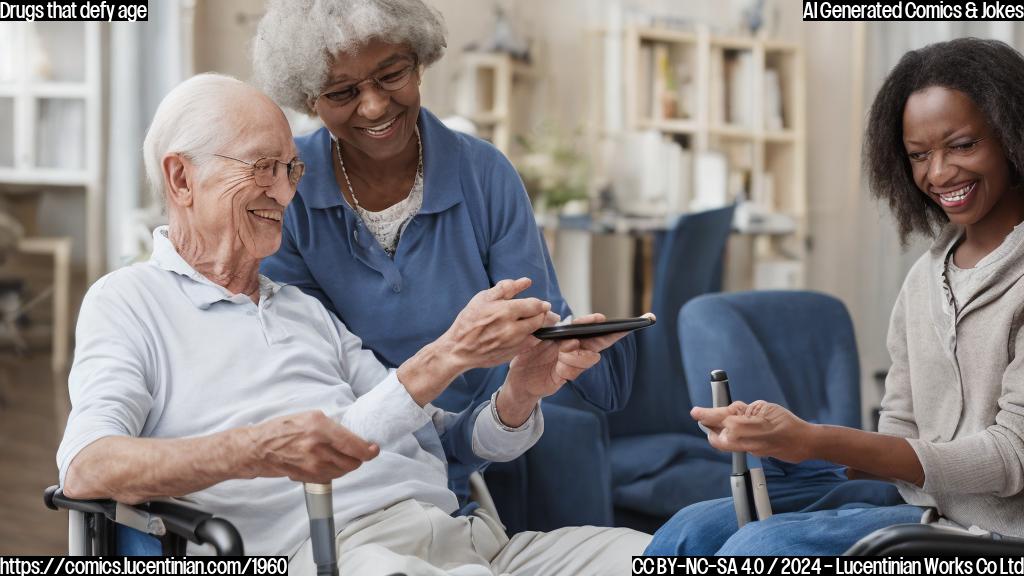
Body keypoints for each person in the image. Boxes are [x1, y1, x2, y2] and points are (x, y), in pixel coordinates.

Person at [57, 73, 650, 574]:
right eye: (264, 168)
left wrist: (522, 390)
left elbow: (440, 442)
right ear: (182, 178)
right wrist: (257, 448)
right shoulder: (128, 301)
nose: (285, 193)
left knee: (662, 553)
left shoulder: (302, 309)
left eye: (291, 169)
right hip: (340, 553)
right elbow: (87, 468)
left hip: (469, 543)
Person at [250, 0, 644, 511]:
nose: (373, 106)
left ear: (418, 61)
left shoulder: (484, 173)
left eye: (391, 74)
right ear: (308, 98)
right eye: (342, 92)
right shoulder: (290, 188)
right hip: (365, 441)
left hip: (493, 424)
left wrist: (494, 417)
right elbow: (310, 358)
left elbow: (530, 327)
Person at [646, 37, 1024, 555]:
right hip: (924, 511)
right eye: (919, 155)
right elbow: (900, 434)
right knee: (689, 532)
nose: (938, 173)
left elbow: (1011, 458)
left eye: (962, 145)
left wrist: (817, 440)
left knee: (760, 550)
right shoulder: (923, 279)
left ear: (1011, 135)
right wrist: (783, 443)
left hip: (999, 540)